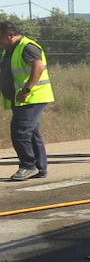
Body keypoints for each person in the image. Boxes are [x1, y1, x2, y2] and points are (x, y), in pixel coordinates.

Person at [1, 21, 54, 181]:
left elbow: (37, 67)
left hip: (31, 97)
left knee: (20, 132)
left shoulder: (27, 47)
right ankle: (39, 167)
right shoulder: (9, 50)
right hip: (22, 99)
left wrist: (26, 90)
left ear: (10, 35)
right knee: (31, 134)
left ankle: (28, 166)